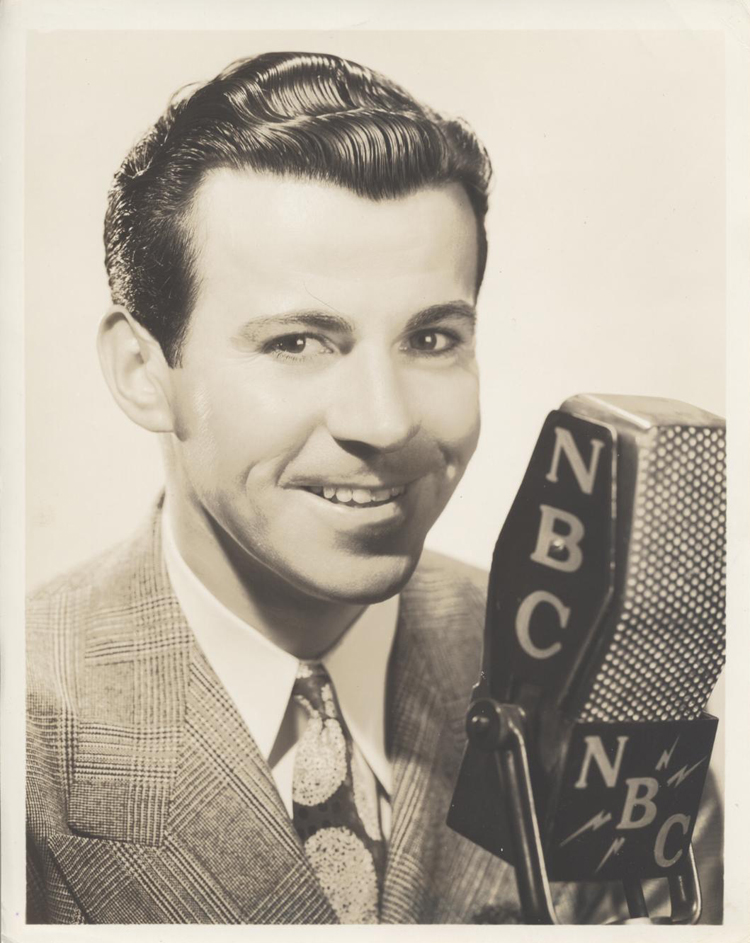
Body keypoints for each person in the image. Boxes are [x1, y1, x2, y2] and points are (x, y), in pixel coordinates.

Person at [25, 50, 722, 925]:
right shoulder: (30, 732)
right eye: (296, 343)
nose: (386, 423)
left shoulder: (602, 679)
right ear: (142, 372)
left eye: (431, 339)